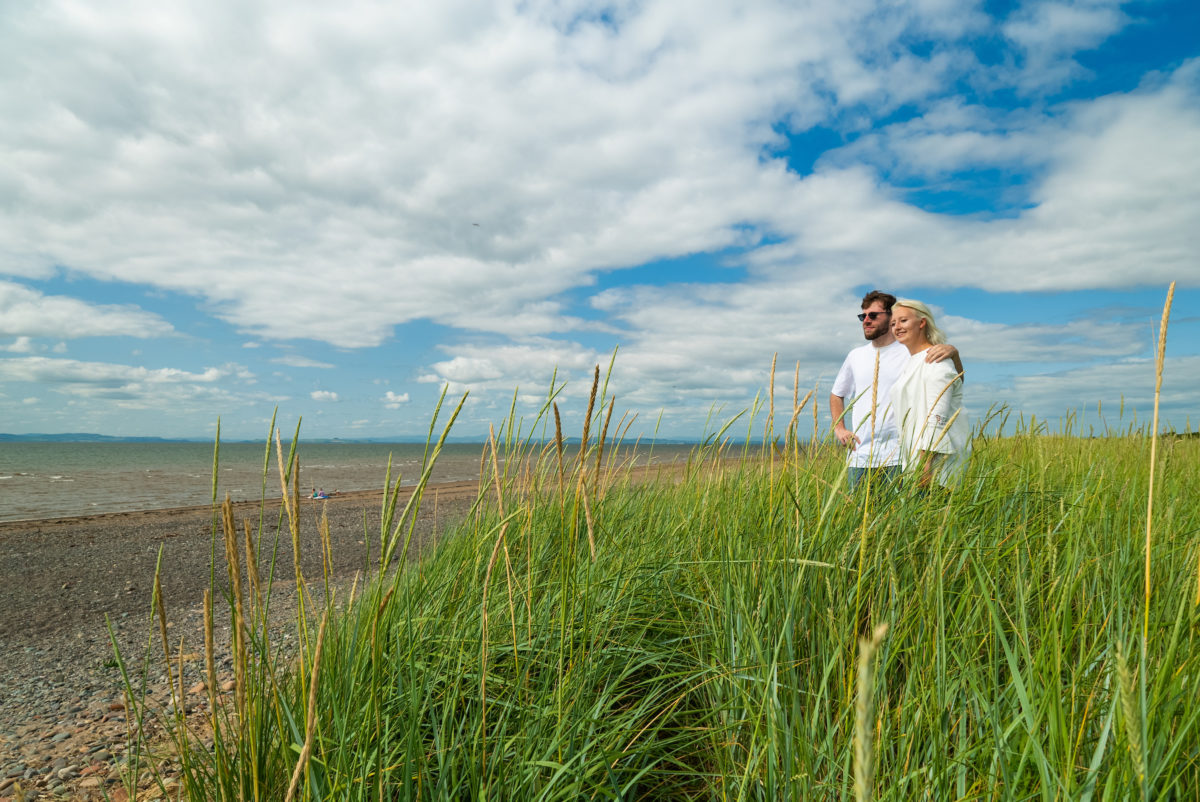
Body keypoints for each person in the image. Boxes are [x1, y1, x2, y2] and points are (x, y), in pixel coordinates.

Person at [829, 291, 961, 490]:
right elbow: (837, 393)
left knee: (898, 518)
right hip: (859, 456)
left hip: (900, 456)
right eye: (862, 316)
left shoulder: (912, 351)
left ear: (891, 317)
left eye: (873, 315)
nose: (866, 320)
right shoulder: (855, 356)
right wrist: (839, 428)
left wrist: (953, 353)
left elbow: (951, 383)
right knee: (858, 518)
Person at [888, 299, 970, 488]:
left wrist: (925, 466)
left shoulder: (936, 358)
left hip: (937, 469)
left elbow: (937, 416)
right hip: (916, 461)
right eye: (893, 323)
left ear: (922, 323)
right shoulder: (912, 361)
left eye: (903, 321)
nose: (897, 327)